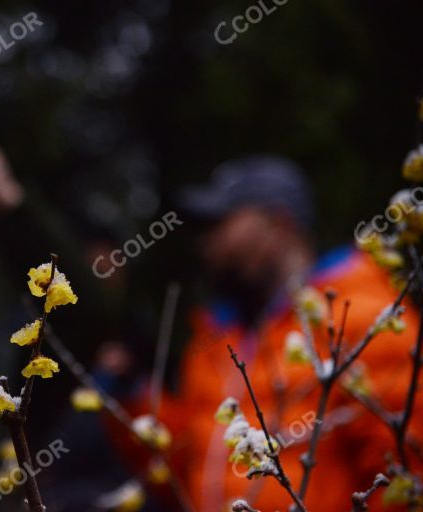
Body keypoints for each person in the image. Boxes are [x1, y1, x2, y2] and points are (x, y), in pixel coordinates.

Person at [109, 155, 423, 510]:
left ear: (280, 224)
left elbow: (405, 476)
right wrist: (132, 395)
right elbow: (192, 467)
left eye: (223, 224)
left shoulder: (362, 316)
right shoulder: (216, 338)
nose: (208, 243)